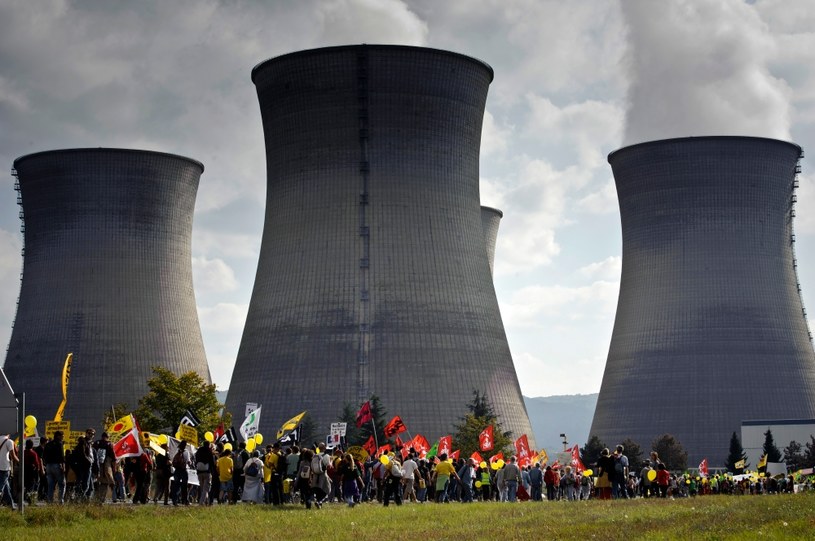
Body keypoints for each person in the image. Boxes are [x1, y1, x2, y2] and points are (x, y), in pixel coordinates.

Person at [43, 430, 66, 504]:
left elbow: (44, 456)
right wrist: (63, 466)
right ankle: (60, 501)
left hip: (48, 466)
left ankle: (50, 501)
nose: (63, 437)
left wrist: (46, 464)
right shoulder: (59, 444)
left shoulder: (48, 444)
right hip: (57, 465)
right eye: (62, 436)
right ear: (58, 436)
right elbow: (62, 456)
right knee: (61, 484)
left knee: (50, 485)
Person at [93, 432, 116, 503]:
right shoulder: (109, 444)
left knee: (96, 482)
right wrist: (114, 467)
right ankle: (102, 499)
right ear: (107, 437)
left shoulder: (96, 443)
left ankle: (96, 498)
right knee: (105, 483)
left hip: (96, 465)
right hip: (106, 465)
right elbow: (113, 456)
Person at [309, 443, 332, 508]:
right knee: (327, 489)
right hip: (323, 474)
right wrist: (331, 461)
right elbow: (328, 466)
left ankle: (319, 503)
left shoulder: (315, 456)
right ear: (324, 448)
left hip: (315, 475)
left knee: (318, 490)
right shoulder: (326, 456)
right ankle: (319, 501)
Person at [0, 433, 19, 508]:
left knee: (6, 487)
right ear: (8, 434)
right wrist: (20, 462)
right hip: (4, 467)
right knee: (1, 486)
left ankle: (11, 505)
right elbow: (13, 456)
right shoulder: (9, 441)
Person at [171, 440, 191, 506]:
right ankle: (184, 500)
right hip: (183, 470)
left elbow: (173, 460)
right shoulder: (186, 452)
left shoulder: (176, 451)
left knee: (176, 486)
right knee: (184, 486)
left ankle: (175, 500)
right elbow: (188, 461)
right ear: (185, 445)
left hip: (177, 470)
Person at [195, 441, 215, 505]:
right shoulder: (209, 452)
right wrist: (212, 471)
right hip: (207, 472)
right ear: (208, 445)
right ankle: (201, 502)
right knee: (206, 488)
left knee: (202, 488)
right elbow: (212, 463)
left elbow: (196, 460)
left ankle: (206, 501)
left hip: (199, 471)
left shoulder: (198, 451)